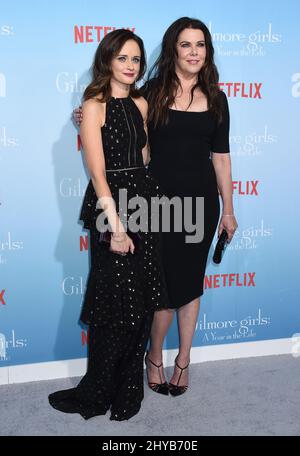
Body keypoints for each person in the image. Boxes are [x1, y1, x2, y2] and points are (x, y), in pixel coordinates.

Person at [74, 17, 238, 398]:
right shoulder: (151, 92)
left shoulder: (217, 98)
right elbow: (117, 113)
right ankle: (154, 358)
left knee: (192, 287)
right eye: (186, 44)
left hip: (201, 204)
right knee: (163, 288)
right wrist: (82, 117)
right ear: (173, 50)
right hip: (157, 205)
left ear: (207, 52)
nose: (194, 52)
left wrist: (228, 209)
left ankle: (184, 360)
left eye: (201, 44)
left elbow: (223, 157)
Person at [48, 29, 169, 422]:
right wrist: (116, 227)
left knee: (143, 302)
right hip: (112, 206)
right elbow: (97, 172)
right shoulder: (94, 104)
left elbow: (145, 155)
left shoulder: (141, 103)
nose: (131, 66)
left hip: (146, 202)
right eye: (123, 58)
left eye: (136, 59)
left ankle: (129, 388)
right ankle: (100, 388)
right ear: (107, 61)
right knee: (114, 304)